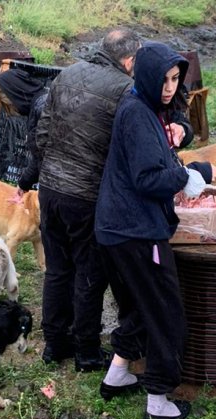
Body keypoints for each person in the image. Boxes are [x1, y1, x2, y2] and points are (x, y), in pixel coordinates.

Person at [36, 29, 185, 372]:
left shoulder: (66, 74)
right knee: (90, 274)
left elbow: (41, 132)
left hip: (52, 189)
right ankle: (86, 350)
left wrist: (47, 173)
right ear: (131, 61)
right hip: (87, 193)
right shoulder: (124, 91)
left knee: (57, 270)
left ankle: (55, 343)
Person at [95, 41, 216, 419]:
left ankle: (117, 373)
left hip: (115, 228)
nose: (169, 87)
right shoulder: (137, 114)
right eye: (164, 79)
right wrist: (187, 178)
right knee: (165, 313)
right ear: (146, 77)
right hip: (136, 231)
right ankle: (158, 400)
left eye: (175, 79)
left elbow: (154, 160)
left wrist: (191, 168)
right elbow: (148, 178)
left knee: (137, 306)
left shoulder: (142, 108)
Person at [0, 68, 47, 194]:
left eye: (6, 100)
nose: (10, 106)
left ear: (14, 92)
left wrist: (24, 183)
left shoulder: (42, 108)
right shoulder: (39, 104)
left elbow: (44, 156)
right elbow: (40, 155)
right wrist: (24, 184)